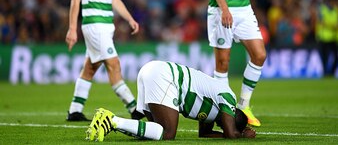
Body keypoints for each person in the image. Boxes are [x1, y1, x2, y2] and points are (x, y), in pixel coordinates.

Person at [65, 0, 143, 121]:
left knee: (90, 67)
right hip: (94, 25)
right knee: (114, 64)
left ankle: (75, 110)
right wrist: (72, 29)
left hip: (106, 26)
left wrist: (130, 18)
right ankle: (135, 109)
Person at [85, 60, 256, 141]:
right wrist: (242, 135)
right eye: (227, 123)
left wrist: (230, 133)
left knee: (151, 134)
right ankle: (112, 120)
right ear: (232, 115)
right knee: (167, 133)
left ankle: (107, 123)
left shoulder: (214, 113)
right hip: (165, 77)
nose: (221, 124)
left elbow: (204, 134)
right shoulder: (229, 97)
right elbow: (230, 134)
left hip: (151, 71)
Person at [206, 0, 267, 126]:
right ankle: (223, 111)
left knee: (259, 55)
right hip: (222, 11)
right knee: (223, 64)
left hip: (244, 10)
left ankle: (243, 105)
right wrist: (225, 9)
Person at [315, 0, 338, 77]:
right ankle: (325, 74)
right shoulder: (322, 9)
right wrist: (333, 25)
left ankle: (331, 73)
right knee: (324, 58)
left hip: (333, 37)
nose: (335, 2)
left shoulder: (336, 10)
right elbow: (321, 22)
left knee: (336, 58)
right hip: (323, 37)